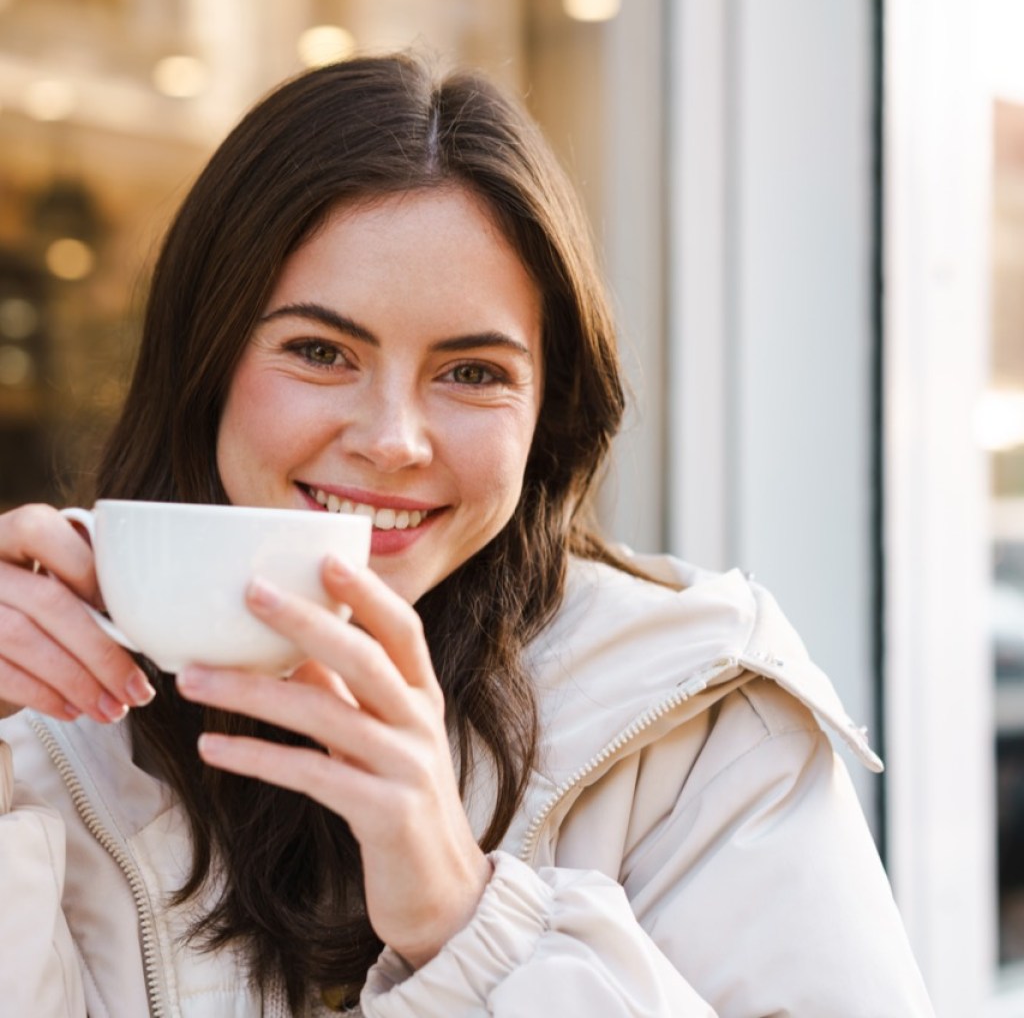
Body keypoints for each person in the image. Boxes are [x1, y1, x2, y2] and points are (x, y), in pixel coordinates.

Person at [0, 52, 934, 1017]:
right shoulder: (44, 704)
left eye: (473, 372)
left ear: (550, 409)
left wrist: (468, 924)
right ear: (207, 365)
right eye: (321, 352)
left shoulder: (697, 723)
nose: (394, 441)